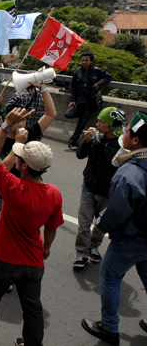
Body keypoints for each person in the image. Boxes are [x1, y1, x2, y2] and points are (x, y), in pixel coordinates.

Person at [0, 107, 64, 346]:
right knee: (32, 310)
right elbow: (51, 228)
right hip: (33, 261)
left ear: (21, 166)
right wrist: (47, 248)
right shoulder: (54, 194)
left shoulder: (12, 188)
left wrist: (6, 127)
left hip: (3, 260)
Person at [81, 111, 147, 345]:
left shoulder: (130, 174)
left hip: (132, 237)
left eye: (128, 130)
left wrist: (99, 227)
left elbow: (117, 211)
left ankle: (109, 327)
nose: (125, 132)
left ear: (136, 141)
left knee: (109, 277)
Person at [73, 107, 126, 269]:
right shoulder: (95, 137)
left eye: (102, 121)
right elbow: (80, 155)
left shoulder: (122, 145)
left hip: (107, 193)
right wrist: (87, 141)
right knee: (84, 224)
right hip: (88, 188)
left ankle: (93, 247)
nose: (97, 124)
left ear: (111, 125)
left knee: (100, 225)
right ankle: (81, 253)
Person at [0, 81, 56, 210]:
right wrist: (18, 144)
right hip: (8, 193)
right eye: (16, 121)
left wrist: (43, 90)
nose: (20, 124)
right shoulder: (0, 140)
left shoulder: (29, 132)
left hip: (30, 190)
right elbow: (2, 168)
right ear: (8, 120)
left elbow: (51, 114)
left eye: (23, 119)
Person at [67, 51, 113, 150]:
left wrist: (99, 83)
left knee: (82, 123)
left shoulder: (97, 71)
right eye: (82, 60)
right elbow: (73, 87)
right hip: (79, 101)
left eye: (86, 60)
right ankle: (74, 139)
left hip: (89, 102)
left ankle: (72, 142)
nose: (84, 62)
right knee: (68, 114)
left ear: (91, 61)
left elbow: (109, 76)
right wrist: (72, 100)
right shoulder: (77, 72)